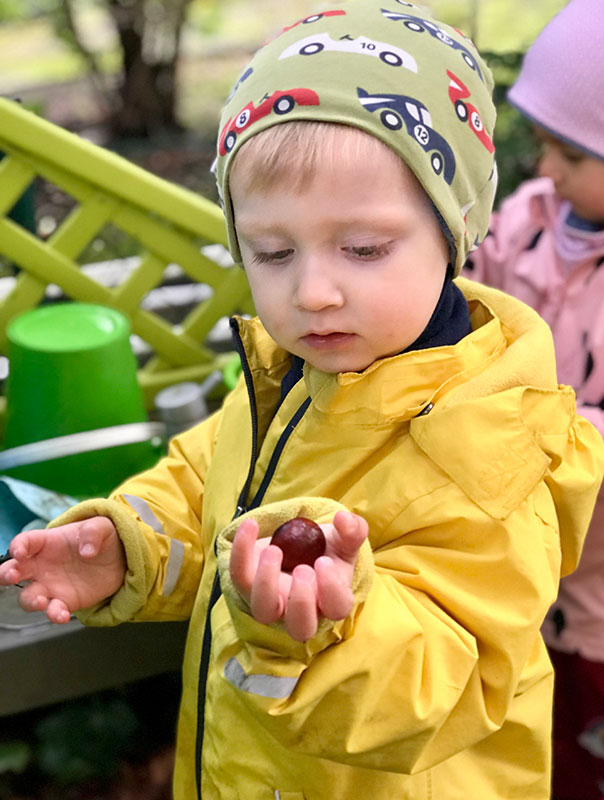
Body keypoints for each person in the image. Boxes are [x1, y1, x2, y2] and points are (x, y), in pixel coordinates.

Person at [1, 2, 603, 798]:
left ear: (457, 232)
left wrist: (318, 631)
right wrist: (130, 545)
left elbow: (448, 684)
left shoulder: (493, 445)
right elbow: (205, 481)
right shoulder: (286, 376)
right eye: (273, 251)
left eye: (363, 249)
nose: (313, 292)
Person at [465, 2, 604, 796]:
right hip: (515, 556)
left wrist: (539, 425)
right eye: (543, 142)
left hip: (595, 582)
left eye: (571, 151)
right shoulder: (527, 222)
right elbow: (470, 301)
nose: (544, 166)